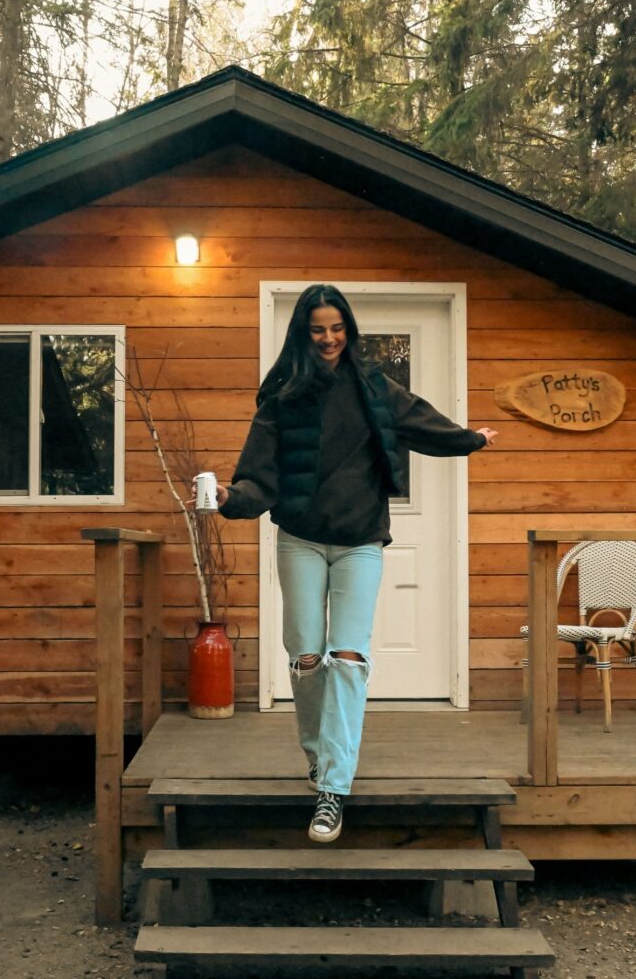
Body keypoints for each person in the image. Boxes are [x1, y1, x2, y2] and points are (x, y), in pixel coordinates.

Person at [204, 284, 497, 843]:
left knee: (348, 657)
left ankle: (333, 789)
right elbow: (258, 474)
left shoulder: (373, 387)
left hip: (361, 539)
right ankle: (319, 756)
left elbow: (423, 424)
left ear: (349, 329)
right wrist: (230, 498)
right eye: (318, 329)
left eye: (337, 328)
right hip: (301, 539)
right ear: (303, 332)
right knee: (307, 658)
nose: (330, 338)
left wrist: (470, 439)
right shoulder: (284, 395)